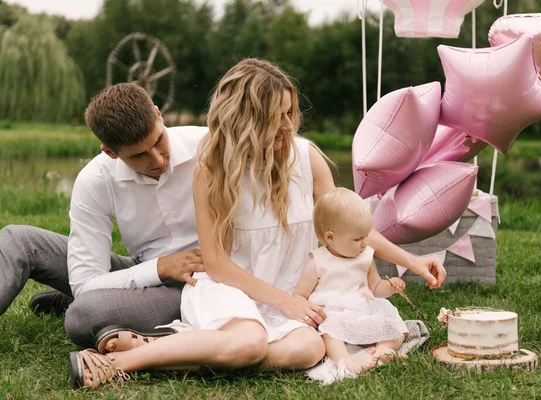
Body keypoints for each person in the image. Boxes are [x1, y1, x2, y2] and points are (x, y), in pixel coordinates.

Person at [68, 58, 446, 389]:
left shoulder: (306, 157)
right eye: (275, 117)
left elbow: (353, 226)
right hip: (229, 287)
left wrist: (412, 261)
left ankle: (171, 348)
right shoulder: (211, 172)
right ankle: (116, 364)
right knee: (249, 341)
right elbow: (215, 263)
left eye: (289, 112)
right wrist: (285, 303)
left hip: (289, 292)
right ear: (247, 119)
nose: (287, 126)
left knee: (308, 348)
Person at [0, 83, 207, 348]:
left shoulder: (209, 146)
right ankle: (116, 301)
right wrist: (160, 267)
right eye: (139, 155)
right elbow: (86, 282)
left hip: (198, 283)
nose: (157, 160)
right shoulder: (96, 180)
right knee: (19, 241)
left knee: (84, 316)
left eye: (158, 141)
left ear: (158, 115)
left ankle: (113, 303)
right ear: (110, 152)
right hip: (146, 269)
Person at [294, 187, 409, 375]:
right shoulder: (319, 262)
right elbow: (300, 295)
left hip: (363, 307)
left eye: (365, 236)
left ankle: (382, 351)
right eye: (358, 238)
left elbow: (376, 287)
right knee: (330, 335)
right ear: (330, 238)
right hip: (333, 313)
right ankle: (347, 361)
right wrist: (310, 314)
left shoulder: (366, 256)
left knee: (395, 327)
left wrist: (390, 286)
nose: (365, 243)